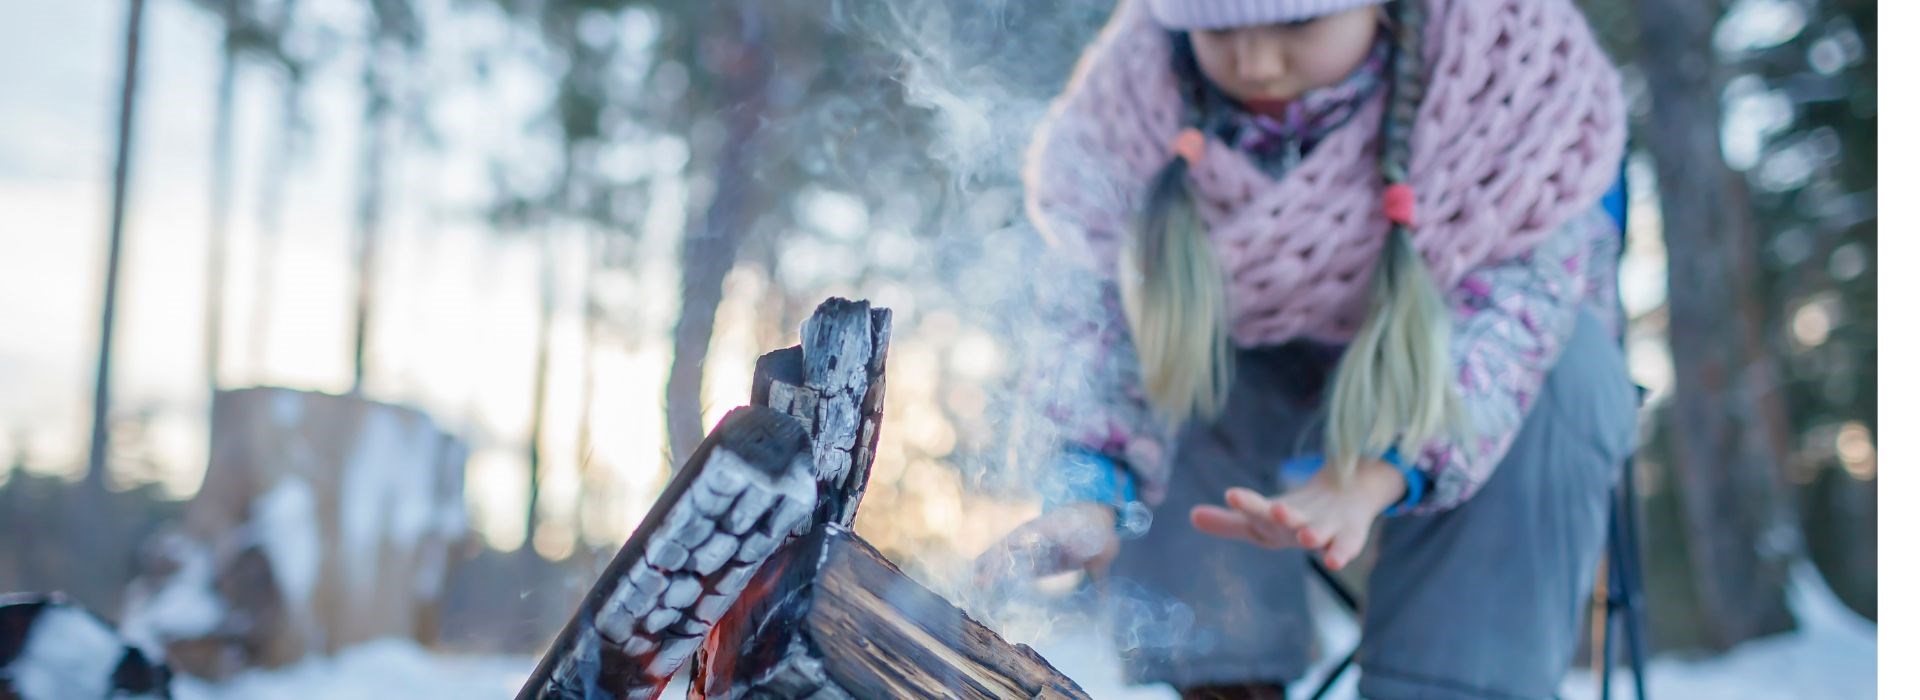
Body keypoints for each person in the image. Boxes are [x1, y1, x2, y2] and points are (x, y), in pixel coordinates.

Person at [975, 0, 1642, 697]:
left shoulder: (1514, 78)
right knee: (1184, 334)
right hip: (1263, 403)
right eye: (1221, 31)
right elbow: (1100, 322)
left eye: (1298, 25)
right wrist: (1087, 487)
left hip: (1477, 396)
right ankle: (1227, 681)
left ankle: (1448, 686)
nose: (1257, 64)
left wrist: (1380, 472)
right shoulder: (1130, 106)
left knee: (1565, 373)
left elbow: (1516, 318)